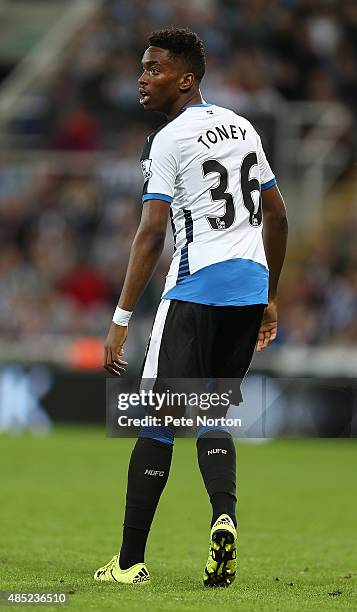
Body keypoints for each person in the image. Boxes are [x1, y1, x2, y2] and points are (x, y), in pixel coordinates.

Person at [94, 27, 288, 587]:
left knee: (156, 419)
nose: (141, 78)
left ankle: (129, 565)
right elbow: (277, 214)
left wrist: (120, 320)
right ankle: (223, 517)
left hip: (196, 289)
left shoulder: (170, 140)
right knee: (210, 413)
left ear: (186, 80)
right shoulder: (243, 126)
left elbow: (152, 233)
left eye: (154, 69)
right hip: (249, 291)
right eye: (142, 68)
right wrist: (270, 294)